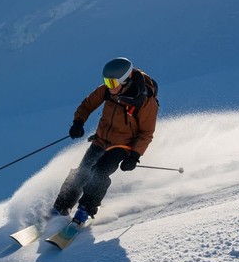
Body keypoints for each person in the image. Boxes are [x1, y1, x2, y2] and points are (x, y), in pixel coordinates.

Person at [52, 57, 159, 226]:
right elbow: (87, 105)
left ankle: (85, 210)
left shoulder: (145, 101)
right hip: (101, 140)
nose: (108, 86)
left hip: (122, 145)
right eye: (106, 81)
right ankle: (60, 207)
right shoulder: (109, 90)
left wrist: (134, 155)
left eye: (112, 82)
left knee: (99, 173)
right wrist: (78, 123)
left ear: (125, 81)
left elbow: (146, 133)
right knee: (82, 172)